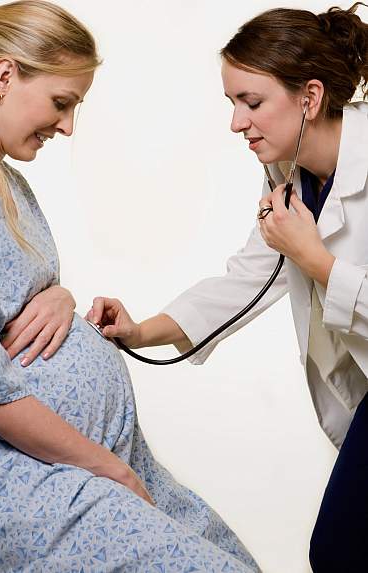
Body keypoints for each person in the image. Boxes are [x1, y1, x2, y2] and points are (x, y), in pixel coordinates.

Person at [0, 2, 261, 572]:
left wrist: (60, 296)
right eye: (61, 103)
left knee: (232, 560)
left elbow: (16, 304)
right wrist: (106, 467)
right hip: (13, 473)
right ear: (3, 77)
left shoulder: (8, 183)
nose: (67, 126)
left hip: (92, 455)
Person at [85, 4, 368, 572]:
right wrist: (142, 330)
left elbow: (309, 263)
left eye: (252, 103)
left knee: (341, 549)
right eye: (233, 104)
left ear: (310, 98)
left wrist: (315, 261)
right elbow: (246, 279)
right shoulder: (290, 177)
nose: (237, 123)